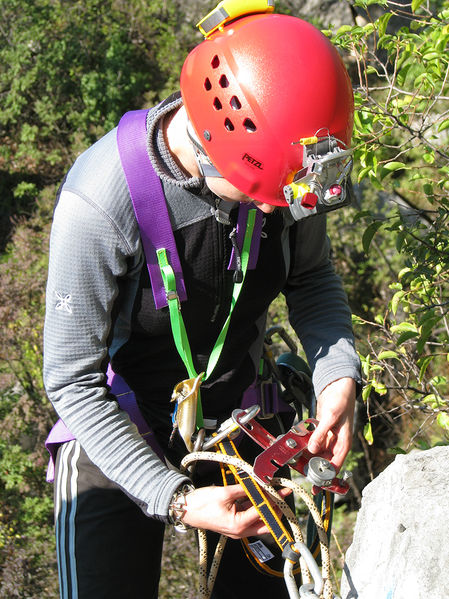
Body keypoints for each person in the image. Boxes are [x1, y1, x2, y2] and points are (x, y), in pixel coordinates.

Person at [43, 5, 361, 598]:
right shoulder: (100, 202)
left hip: (240, 408)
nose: (275, 213)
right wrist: (178, 499)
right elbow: (70, 381)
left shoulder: (286, 170)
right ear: (212, 144)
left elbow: (311, 278)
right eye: (262, 195)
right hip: (114, 422)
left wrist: (337, 377)